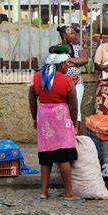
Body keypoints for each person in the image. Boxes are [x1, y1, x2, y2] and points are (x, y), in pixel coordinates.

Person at [29, 47, 82, 202]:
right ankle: (69, 193)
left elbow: (32, 99)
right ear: (60, 65)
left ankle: (44, 192)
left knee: (46, 156)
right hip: (61, 118)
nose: (68, 66)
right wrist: (74, 123)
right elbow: (73, 106)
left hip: (44, 116)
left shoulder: (37, 78)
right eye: (67, 63)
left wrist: (35, 118)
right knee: (64, 155)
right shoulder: (67, 81)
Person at [56, 26, 89, 131]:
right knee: (62, 108)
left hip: (77, 81)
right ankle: (63, 132)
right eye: (72, 33)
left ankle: (75, 132)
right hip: (62, 83)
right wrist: (76, 62)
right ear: (64, 35)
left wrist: (69, 60)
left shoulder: (78, 48)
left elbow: (84, 60)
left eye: (75, 33)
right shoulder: (57, 48)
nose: (75, 35)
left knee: (76, 106)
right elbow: (58, 65)